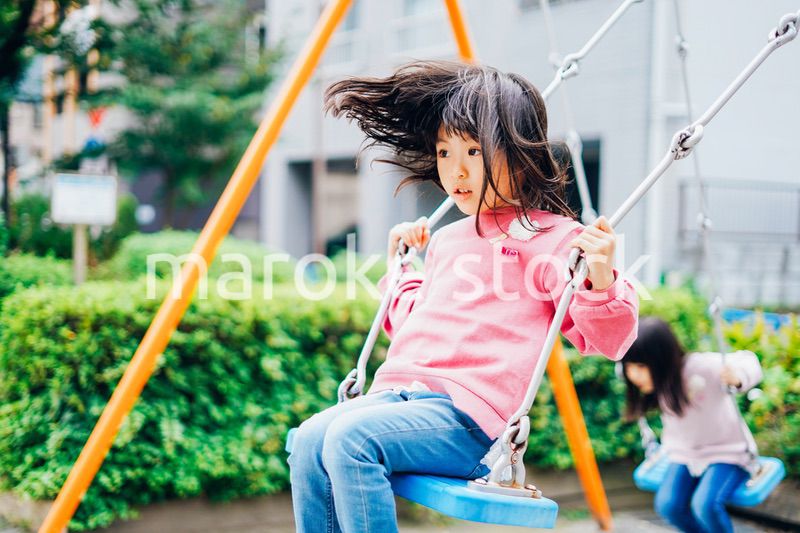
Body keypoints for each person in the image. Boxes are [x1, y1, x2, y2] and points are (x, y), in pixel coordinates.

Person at [288, 60, 639, 533]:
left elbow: (608, 341)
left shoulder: (556, 240)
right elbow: (417, 324)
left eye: (474, 151)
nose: (456, 170)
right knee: (311, 438)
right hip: (402, 399)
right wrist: (402, 269)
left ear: (520, 153)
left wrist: (600, 278)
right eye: (444, 151)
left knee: (350, 439)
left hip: (468, 422)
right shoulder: (450, 239)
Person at [621, 317, 763, 533]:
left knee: (705, 505)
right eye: (629, 366)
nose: (633, 374)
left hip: (727, 453)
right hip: (684, 454)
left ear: (662, 359)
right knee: (668, 506)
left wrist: (738, 377)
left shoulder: (701, 367)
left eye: (641, 366)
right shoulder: (655, 381)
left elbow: (748, 360)